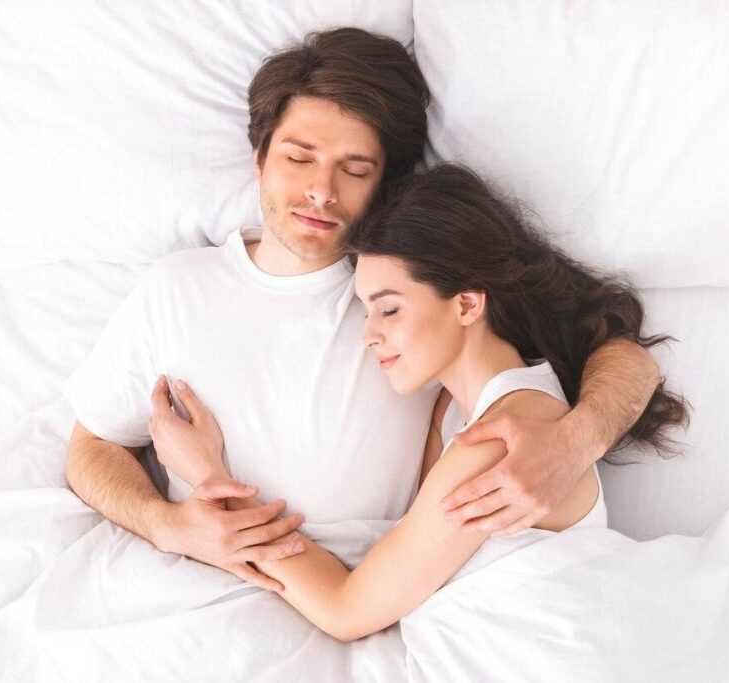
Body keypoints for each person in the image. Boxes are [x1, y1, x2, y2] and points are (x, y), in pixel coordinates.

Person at [64, 28, 671, 592]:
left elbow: (613, 344)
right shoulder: (174, 287)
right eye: (298, 159)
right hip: (211, 581)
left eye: (354, 170)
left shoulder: (413, 281)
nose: (321, 192)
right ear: (259, 159)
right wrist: (166, 523)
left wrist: (576, 441)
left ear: (384, 182)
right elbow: (92, 445)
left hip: (372, 589)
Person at [149, 164, 687, 641]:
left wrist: (210, 478)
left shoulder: (503, 438)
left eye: (389, 310)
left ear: (468, 303)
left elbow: (345, 609)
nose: (369, 336)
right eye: (365, 312)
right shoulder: (454, 414)